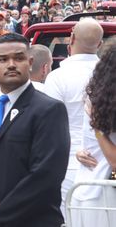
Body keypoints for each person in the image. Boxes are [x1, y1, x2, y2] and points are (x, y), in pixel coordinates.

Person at [0, 32, 70, 227]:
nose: (11, 64)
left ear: (30, 61)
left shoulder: (50, 110)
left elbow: (45, 175)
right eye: (3, 59)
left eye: (18, 57)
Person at [44, 16, 104, 212]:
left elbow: (48, 127)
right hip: (105, 164)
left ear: (71, 39)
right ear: (100, 44)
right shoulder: (108, 77)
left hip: (66, 165)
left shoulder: (57, 77)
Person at [70, 39, 116, 226]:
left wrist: (97, 130)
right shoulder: (95, 102)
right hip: (101, 194)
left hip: (87, 192)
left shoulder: (96, 100)